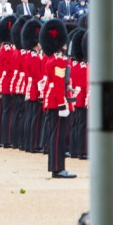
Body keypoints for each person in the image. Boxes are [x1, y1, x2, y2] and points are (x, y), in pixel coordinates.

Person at [39, 18, 76, 179]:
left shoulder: (53, 60)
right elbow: (57, 85)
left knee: (56, 135)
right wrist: (62, 104)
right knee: (58, 136)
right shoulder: (59, 62)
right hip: (56, 103)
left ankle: (57, 166)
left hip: (53, 100)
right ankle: (57, 168)